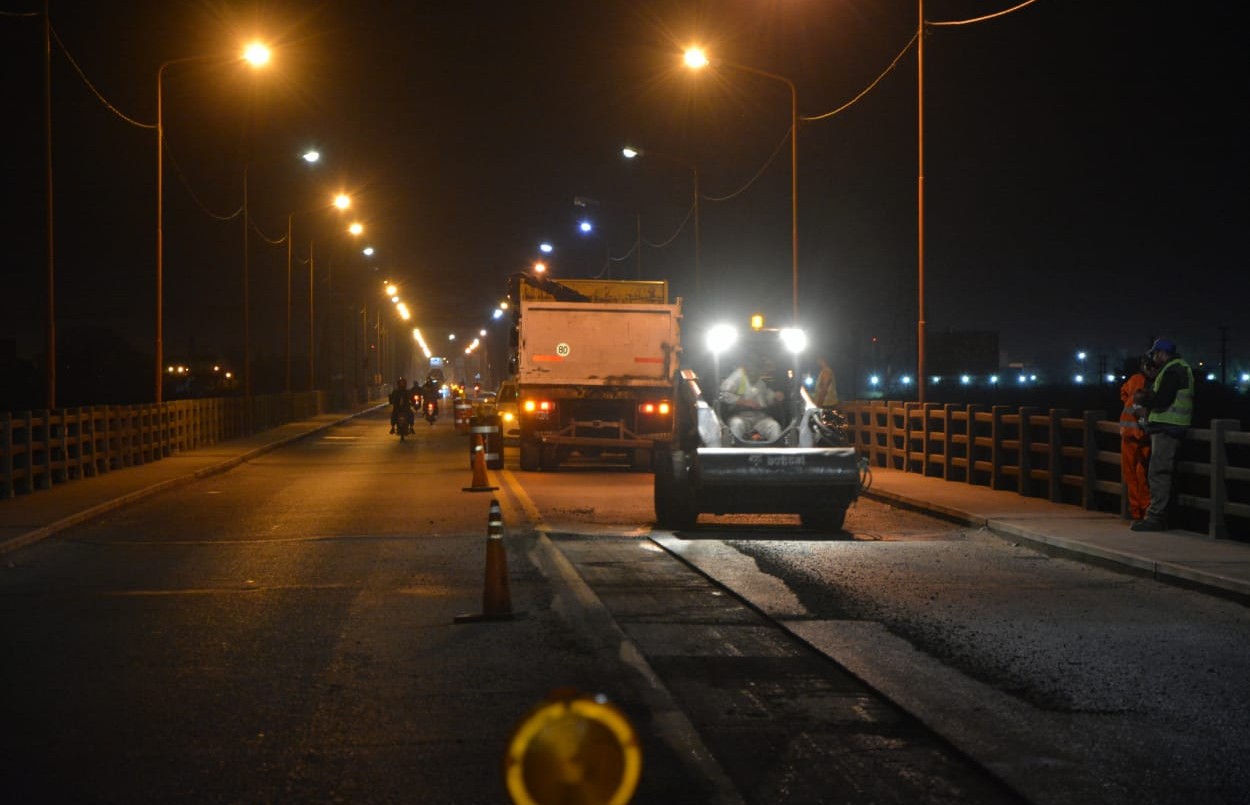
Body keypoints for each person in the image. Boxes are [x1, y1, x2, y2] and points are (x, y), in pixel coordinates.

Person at [1130, 337, 1194, 532]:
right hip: (1172, 427)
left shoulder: (1172, 370)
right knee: (1162, 472)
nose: (1154, 358)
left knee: (1158, 472)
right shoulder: (1177, 368)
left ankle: (1156, 517)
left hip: (1167, 427)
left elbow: (1163, 398)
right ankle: (1163, 516)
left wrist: (1145, 398)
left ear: (1162, 353)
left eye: (1156, 354)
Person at [1118, 356, 1154, 522]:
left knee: (1132, 475)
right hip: (1143, 436)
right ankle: (1144, 511)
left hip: (1128, 434)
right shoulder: (1152, 383)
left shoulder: (1134, 380)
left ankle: (1136, 513)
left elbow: (1124, 394)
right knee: (1142, 475)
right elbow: (1141, 410)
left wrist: (1129, 406)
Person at [719, 358, 784, 442]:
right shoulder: (738, 377)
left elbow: (767, 398)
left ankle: (774, 453)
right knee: (736, 425)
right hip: (741, 416)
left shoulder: (760, 383)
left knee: (774, 426)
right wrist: (743, 402)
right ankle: (734, 452)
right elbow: (724, 394)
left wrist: (775, 397)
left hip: (760, 418)